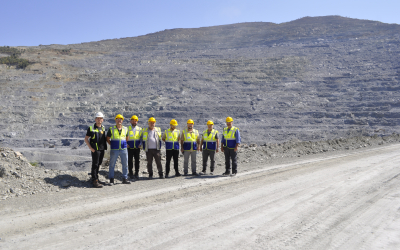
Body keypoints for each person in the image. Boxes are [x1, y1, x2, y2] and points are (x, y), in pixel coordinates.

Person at [106, 114, 131, 185]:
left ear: (122, 121)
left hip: (123, 149)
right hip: (114, 149)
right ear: (115, 120)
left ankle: (125, 178)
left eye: (121, 119)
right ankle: (111, 179)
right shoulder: (111, 129)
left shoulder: (125, 129)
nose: (119, 120)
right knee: (112, 164)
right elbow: (107, 138)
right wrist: (112, 144)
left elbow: (127, 138)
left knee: (125, 164)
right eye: (118, 119)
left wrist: (124, 144)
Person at [84, 112, 107, 188]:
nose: (99, 120)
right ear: (95, 119)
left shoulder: (103, 127)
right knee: (95, 164)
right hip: (95, 150)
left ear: (102, 120)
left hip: (102, 149)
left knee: (99, 163)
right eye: (98, 118)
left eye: (100, 118)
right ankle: (94, 180)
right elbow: (86, 139)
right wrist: (91, 148)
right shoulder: (91, 128)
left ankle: (96, 178)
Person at [127, 115, 142, 180]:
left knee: (137, 161)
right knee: (130, 160)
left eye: (135, 121)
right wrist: (126, 144)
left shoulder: (140, 129)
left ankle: (136, 173)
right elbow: (124, 137)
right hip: (130, 147)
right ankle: (130, 173)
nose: (134, 122)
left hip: (137, 148)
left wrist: (140, 144)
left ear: (137, 122)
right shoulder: (127, 129)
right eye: (133, 121)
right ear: (130, 121)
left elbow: (141, 138)